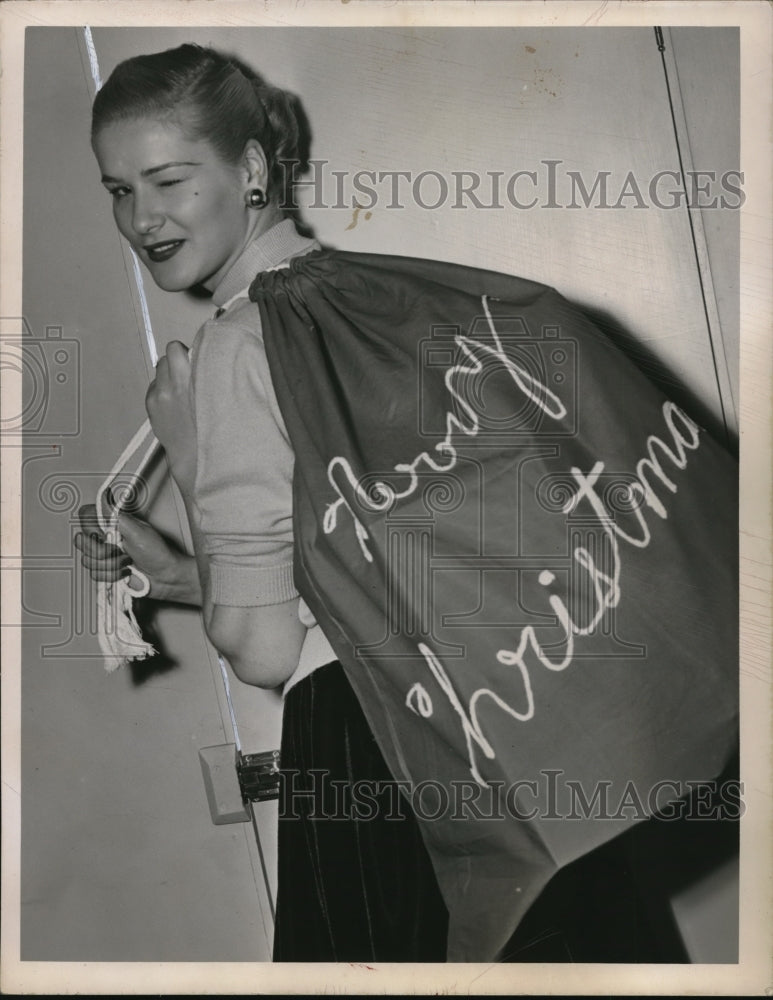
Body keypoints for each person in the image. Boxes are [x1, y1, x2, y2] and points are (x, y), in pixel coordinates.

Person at [74, 43, 449, 962]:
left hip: (367, 750)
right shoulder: (374, 298)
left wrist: (193, 456)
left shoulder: (242, 343)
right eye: (119, 190)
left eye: (168, 180)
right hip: (472, 729)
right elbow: (360, 573)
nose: (142, 219)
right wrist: (181, 577)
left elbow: (264, 648)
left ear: (250, 168)